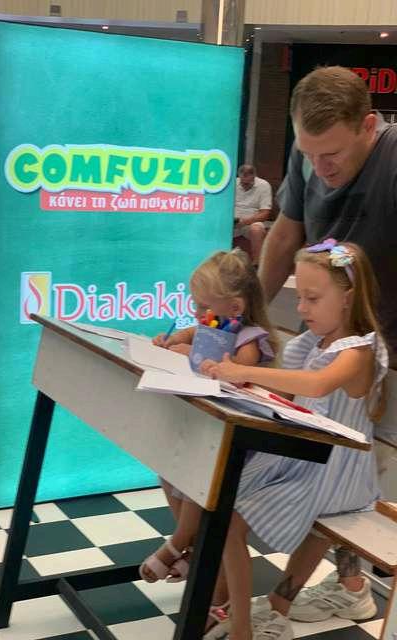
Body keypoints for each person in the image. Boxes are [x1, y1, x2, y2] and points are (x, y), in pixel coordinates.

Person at [258, 64, 397, 627]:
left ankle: (353, 586)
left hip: (384, 353)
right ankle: (351, 585)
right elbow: (284, 235)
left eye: (332, 154)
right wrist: (250, 323)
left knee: (369, 482)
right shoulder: (308, 153)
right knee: (342, 475)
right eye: (309, 153)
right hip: (333, 343)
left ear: (368, 125)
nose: (320, 168)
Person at [201, 240, 388, 640]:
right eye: (299, 296)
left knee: (228, 520)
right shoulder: (315, 343)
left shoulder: (358, 350)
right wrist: (240, 384)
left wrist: (242, 372)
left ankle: (244, 626)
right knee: (222, 506)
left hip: (335, 469)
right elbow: (288, 394)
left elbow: (317, 385)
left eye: (312, 298)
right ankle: (255, 611)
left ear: (348, 297)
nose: (301, 308)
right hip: (310, 458)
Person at [138, 249, 277, 637]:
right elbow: (185, 337)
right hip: (208, 434)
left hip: (239, 445)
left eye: (203, 306)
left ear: (235, 307)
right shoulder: (211, 325)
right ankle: (196, 550)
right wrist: (169, 341)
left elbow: (236, 374)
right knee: (170, 472)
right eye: (195, 305)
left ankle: (182, 543)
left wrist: (192, 357)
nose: (197, 313)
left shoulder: (249, 340)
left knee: (200, 486)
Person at [233, 165, 272, 267]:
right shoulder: (233, 183)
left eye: (248, 183)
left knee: (256, 230)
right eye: (243, 183)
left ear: (254, 176)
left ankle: (257, 264)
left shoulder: (264, 185)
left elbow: (265, 213)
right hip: (234, 220)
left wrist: (244, 222)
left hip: (252, 221)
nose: (245, 185)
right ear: (239, 176)